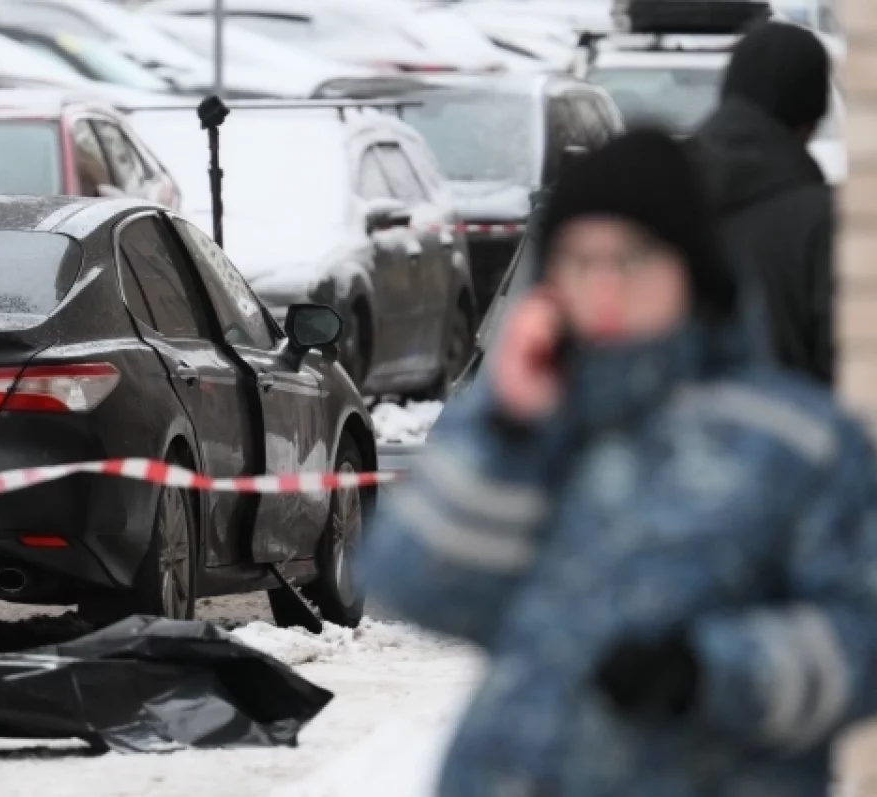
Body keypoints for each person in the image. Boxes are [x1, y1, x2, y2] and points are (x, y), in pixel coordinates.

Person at [362, 130, 877, 797]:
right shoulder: (528, 419)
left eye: (631, 260)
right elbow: (411, 586)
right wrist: (510, 435)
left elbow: (862, 638)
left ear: (688, 268)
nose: (604, 290)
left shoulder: (794, 441)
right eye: (579, 261)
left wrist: (711, 672)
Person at [689, 21, 835, 385]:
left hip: (669, 437)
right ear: (812, 118)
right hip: (793, 431)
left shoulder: (659, 190)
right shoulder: (822, 219)